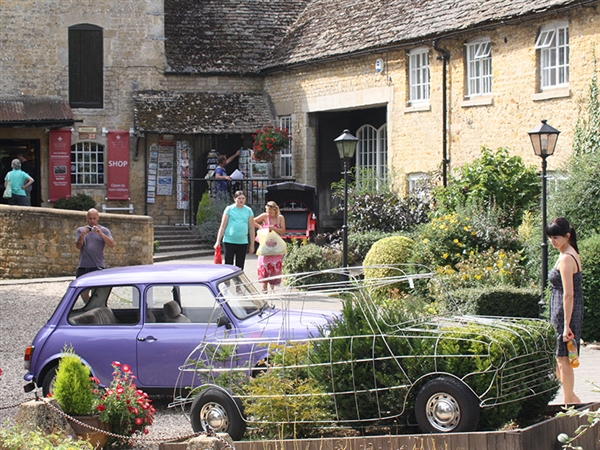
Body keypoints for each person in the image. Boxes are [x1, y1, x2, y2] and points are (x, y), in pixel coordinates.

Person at [547, 217, 584, 405]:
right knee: (559, 358)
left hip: (565, 312)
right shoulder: (567, 253)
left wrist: (566, 325)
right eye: (550, 238)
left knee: (563, 359)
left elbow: (569, 294)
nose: (552, 241)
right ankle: (572, 398)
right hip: (562, 310)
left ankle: (569, 401)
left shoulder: (567, 258)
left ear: (567, 236)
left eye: (556, 238)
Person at [214, 190, 255, 269]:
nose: (241, 200)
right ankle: (228, 278)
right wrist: (218, 241)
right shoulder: (229, 209)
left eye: (243, 198)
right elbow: (222, 226)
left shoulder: (249, 211)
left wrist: (252, 245)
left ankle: (238, 278)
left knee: (240, 266)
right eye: (239, 198)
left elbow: (251, 229)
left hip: (242, 242)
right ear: (235, 199)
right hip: (229, 241)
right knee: (228, 264)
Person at [254, 201, 286, 293]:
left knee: (275, 264)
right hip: (265, 244)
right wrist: (260, 227)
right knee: (264, 264)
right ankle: (264, 286)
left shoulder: (280, 218)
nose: (269, 214)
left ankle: (272, 287)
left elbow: (283, 231)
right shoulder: (265, 216)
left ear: (275, 210)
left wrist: (274, 228)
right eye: (268, 211)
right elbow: (252, 220)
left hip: (276, 246)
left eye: (271, 212)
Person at [75, 208, 116, 278]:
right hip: (83, 266)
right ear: (87, 218)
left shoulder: (104, 230)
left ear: (98, 218)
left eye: (94, 218)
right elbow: (78, 246)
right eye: (90, 218)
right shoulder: (80, 230)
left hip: (98, 265)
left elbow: (112, 244)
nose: (92, 221)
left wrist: (101, 234)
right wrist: (82, 235)